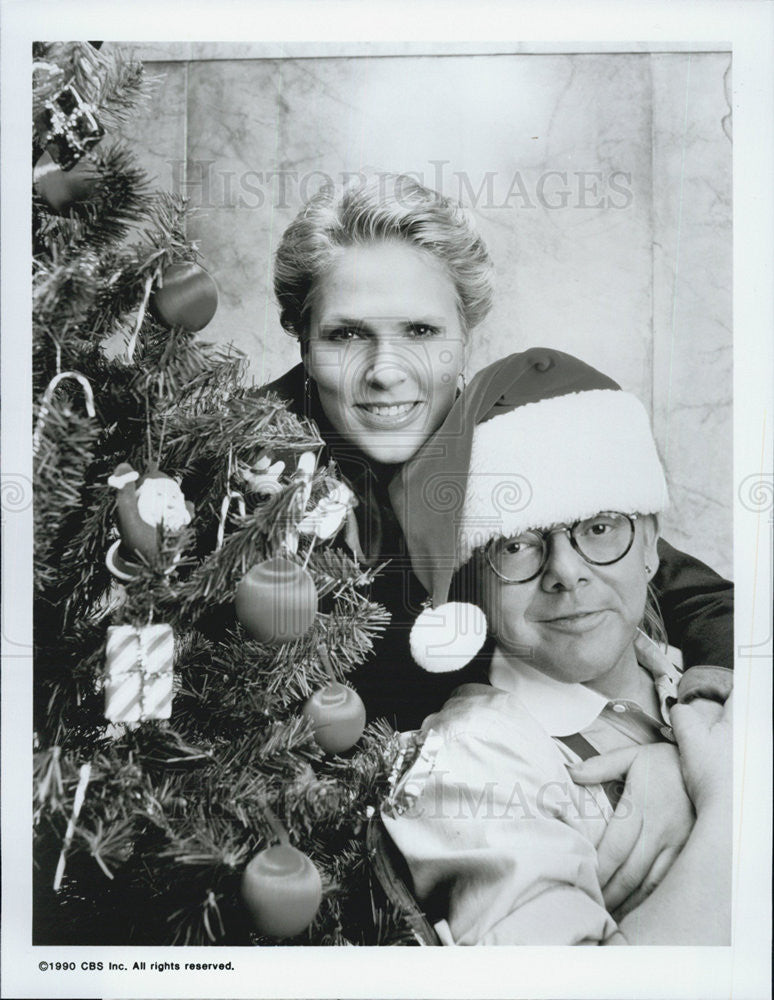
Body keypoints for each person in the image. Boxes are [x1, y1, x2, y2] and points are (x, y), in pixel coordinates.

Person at [257, 175, 732, 912]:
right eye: (347, 335)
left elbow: (683, 592)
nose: (388, 373)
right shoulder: (233, 476)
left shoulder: (504, 434)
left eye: (421, 332)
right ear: (299, 331)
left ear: (465, 334)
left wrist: (683, 752)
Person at [381, 358, 732, 945]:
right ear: (477, 588)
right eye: (517, 545)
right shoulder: (474, 761)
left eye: (599, 528)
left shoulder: (712, 682)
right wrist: (730, 810)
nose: (566, 573)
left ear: (650, 548)